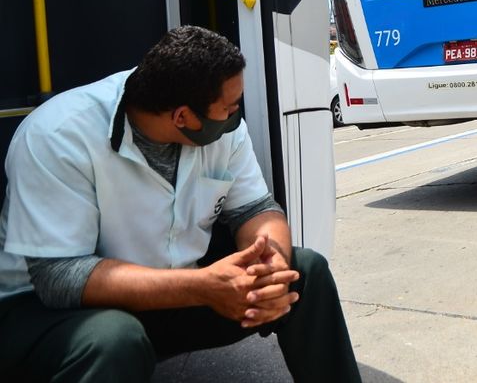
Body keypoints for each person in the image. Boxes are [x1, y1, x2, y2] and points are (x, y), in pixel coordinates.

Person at [0, 26, 360, 382]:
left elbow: (255, 209)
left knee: (304, 271)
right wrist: (201, 286)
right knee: (113, 337)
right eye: (229, 108)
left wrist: (271, 270)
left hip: (171, 293)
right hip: (44, 312)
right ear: (182, 117)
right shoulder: (58, 134)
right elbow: (59, 277)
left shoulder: (220, 129)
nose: (236, 114)